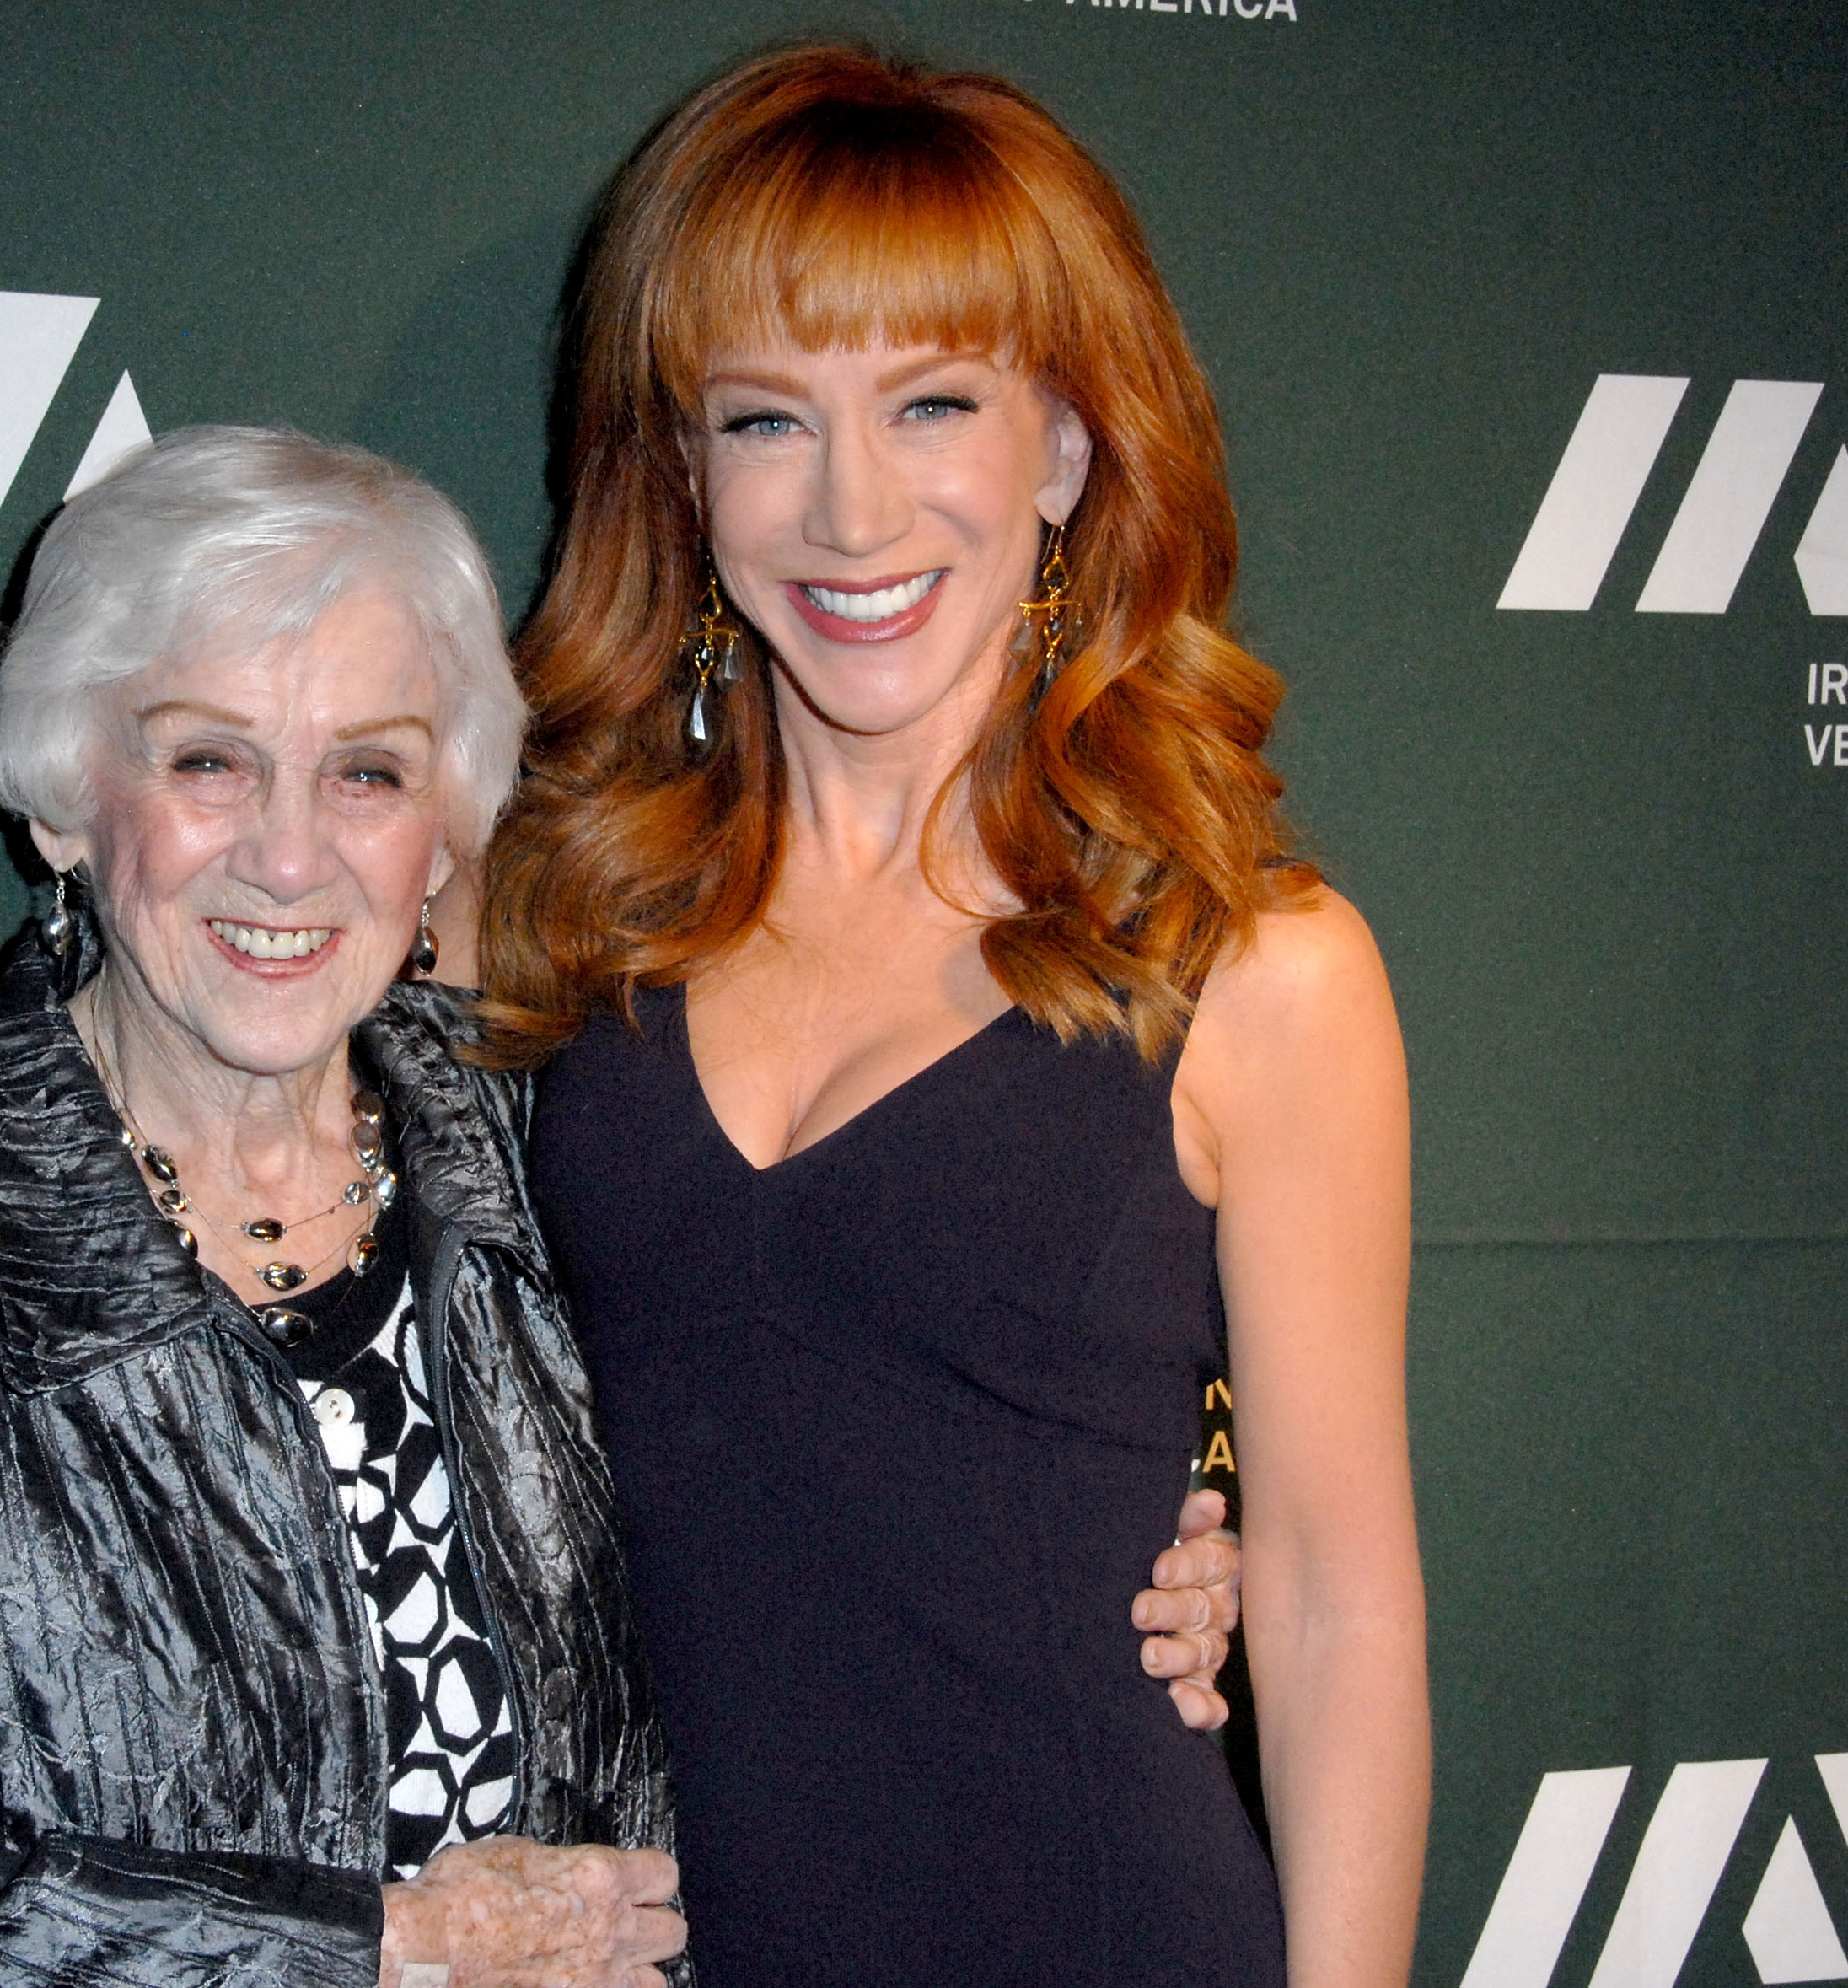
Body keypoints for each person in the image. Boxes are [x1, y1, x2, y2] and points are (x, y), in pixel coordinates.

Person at [477, 44, 1426, 1988]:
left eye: (932, 404)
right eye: (765, 420)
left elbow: (1337, 1609)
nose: (850, 510)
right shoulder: (550, 908)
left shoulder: (1258, 967)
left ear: (1065, 451)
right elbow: (176, 1070)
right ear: (678, 468)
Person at [0, 427, 687, 1987]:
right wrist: (386, 1952)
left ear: (445, 838)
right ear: (66, 804)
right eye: (208, 760)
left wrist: (1148, 1562)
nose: (289, 857)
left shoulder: (571, 1154)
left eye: (369, 771)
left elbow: (821, 1492)